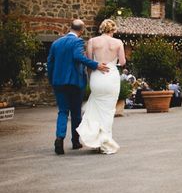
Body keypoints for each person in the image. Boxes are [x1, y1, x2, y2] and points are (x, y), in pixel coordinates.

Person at [47, 19, 109, 155]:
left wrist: (52, 79)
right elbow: (78, 57)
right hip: (75, 82)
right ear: (81, 30)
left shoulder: (56, 43)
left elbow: (50, 63)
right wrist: (96, 65)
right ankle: (75, 142)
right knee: (75, 112)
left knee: (62, 111)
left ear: (70, 28)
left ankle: (59, 137)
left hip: (59, 82)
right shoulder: (78, 42)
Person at [76, 19, 126, 154]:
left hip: (97, 76)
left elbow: (89, 61)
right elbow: (122, 62)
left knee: (96, 109)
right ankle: (105, 140)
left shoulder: (92, 41)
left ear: (102, 29)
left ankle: (97, 141)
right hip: (111, 77)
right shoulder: (118, 43)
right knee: (108, 111)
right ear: (113, 30)